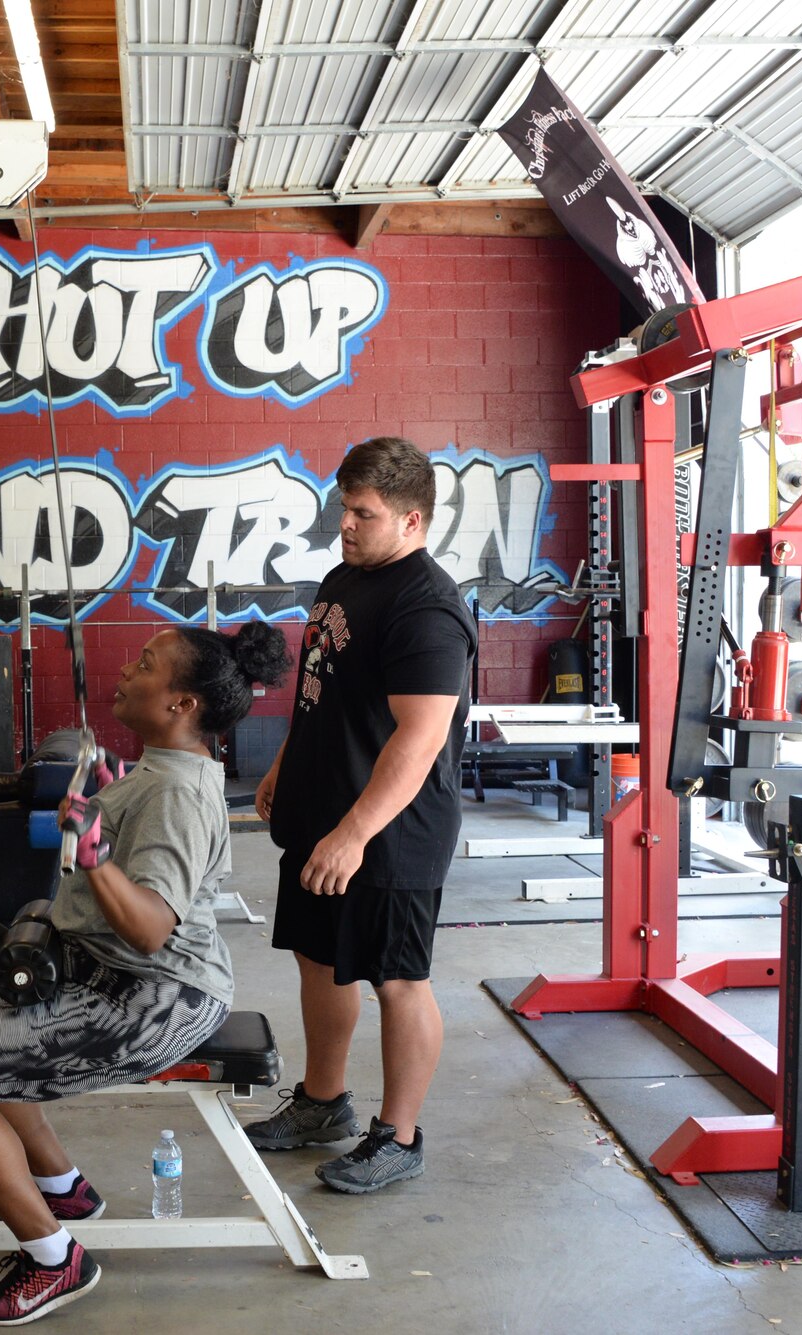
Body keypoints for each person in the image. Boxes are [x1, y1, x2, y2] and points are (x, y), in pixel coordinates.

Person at [0, 620, 292, 1326]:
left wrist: (93, 854)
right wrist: (110, 804)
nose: (125, 670)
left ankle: (55, 1259)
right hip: (110, 971)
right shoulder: (163, 767)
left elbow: (149, 926)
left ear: (182, 704)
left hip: (154, 997)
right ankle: (63, 1186)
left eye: (146, 665)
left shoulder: (176, 793)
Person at [243, 436, 475, 1195]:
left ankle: (399, 1135)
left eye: (362, 512)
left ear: (412, 520)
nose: (345, 523)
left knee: (396, 979)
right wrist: (284, 763)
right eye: (344, 507)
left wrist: (353, 833)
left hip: (390, 833)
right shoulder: (344, 578)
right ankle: (322, 1102)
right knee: (318, 957)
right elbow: (325, 692)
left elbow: (420, 737)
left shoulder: (428, 607)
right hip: (322, 814)